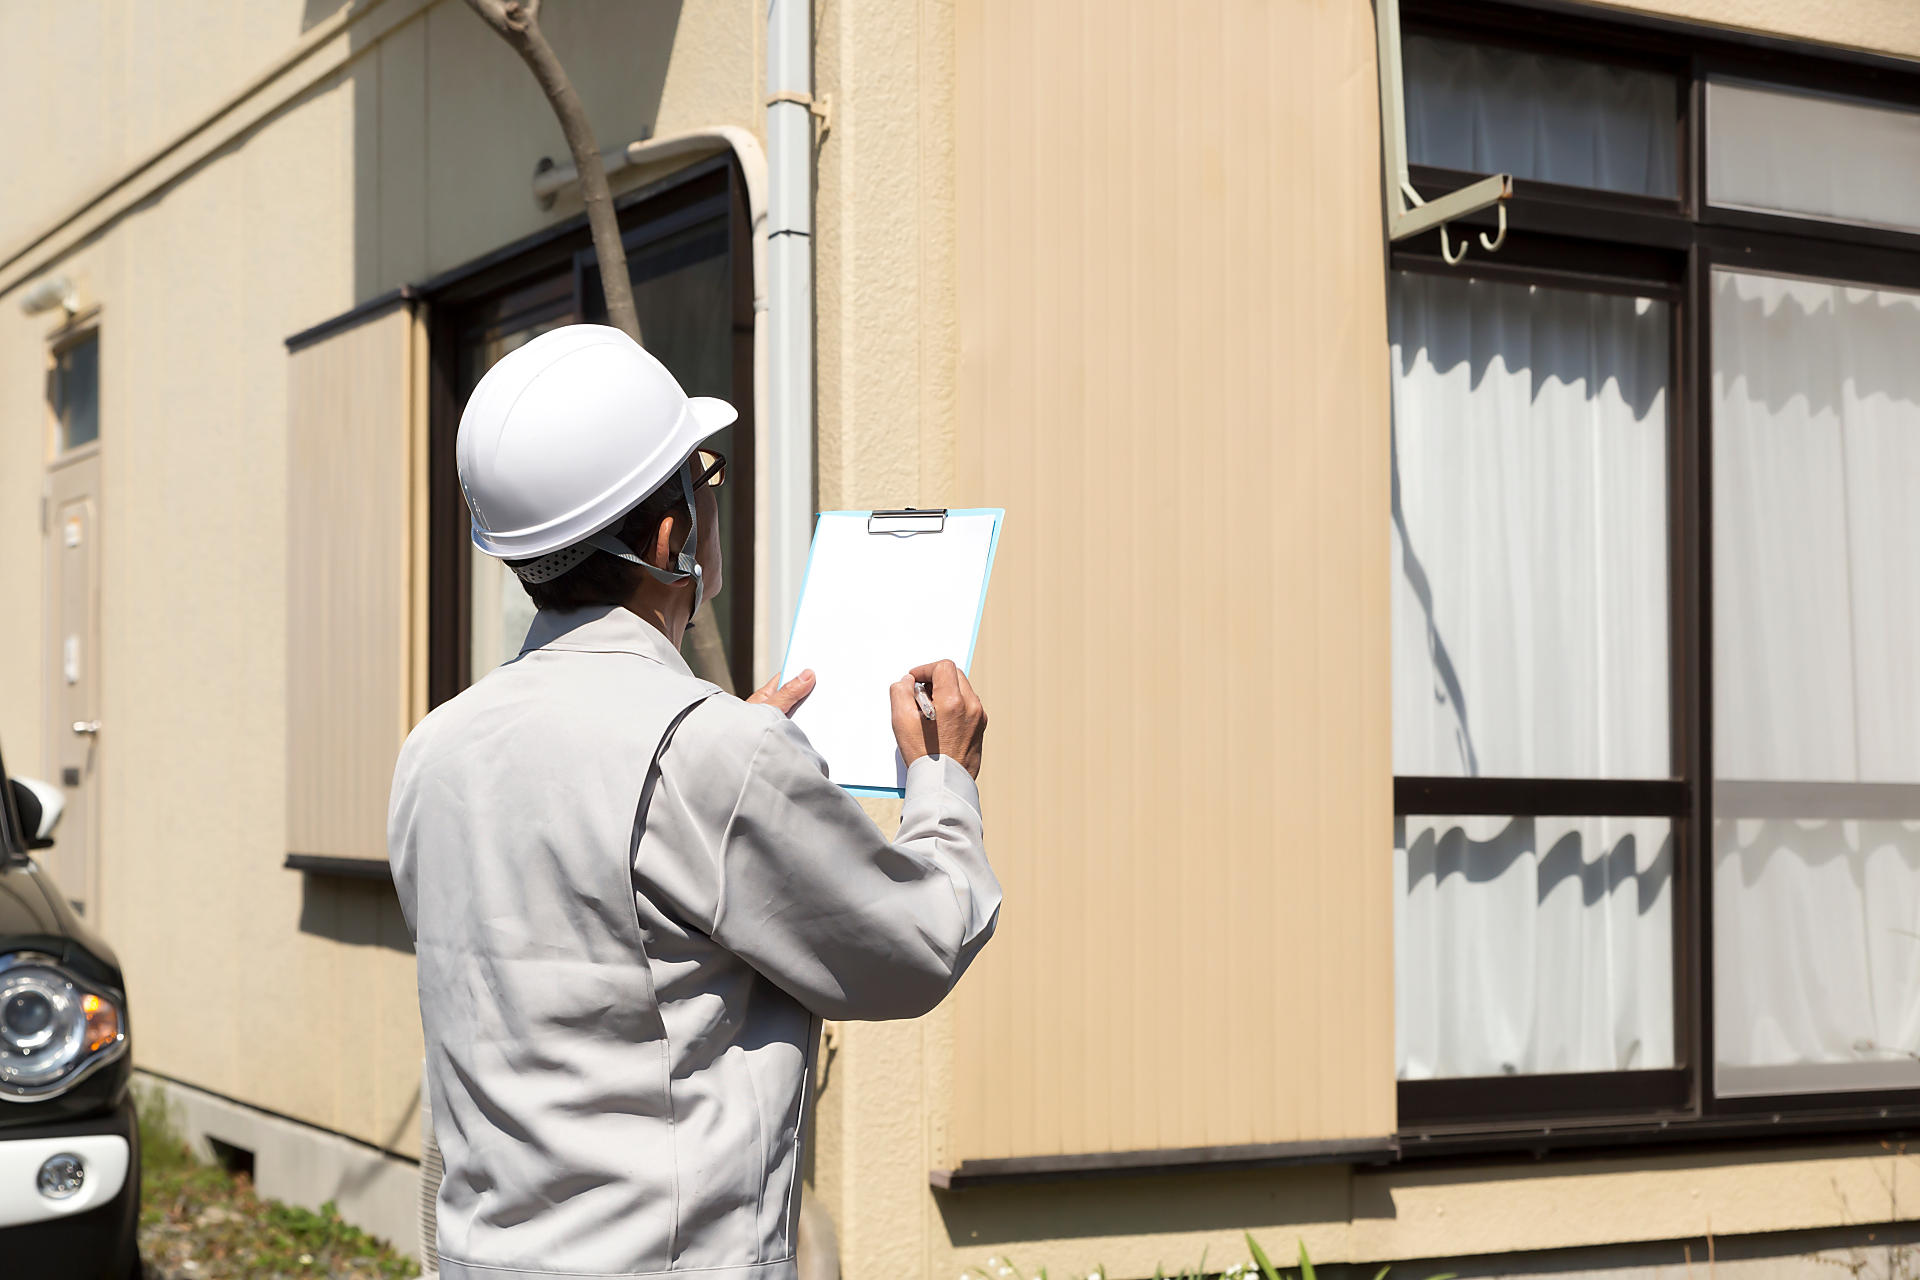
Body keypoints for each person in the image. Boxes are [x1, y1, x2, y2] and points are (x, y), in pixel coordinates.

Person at [388, 324, 1000, 1280]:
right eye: (702, 482)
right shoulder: (710, 756)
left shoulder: (436, 748)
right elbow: (915, 948)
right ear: (672, 534)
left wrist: (727, 756)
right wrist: (944, 779)